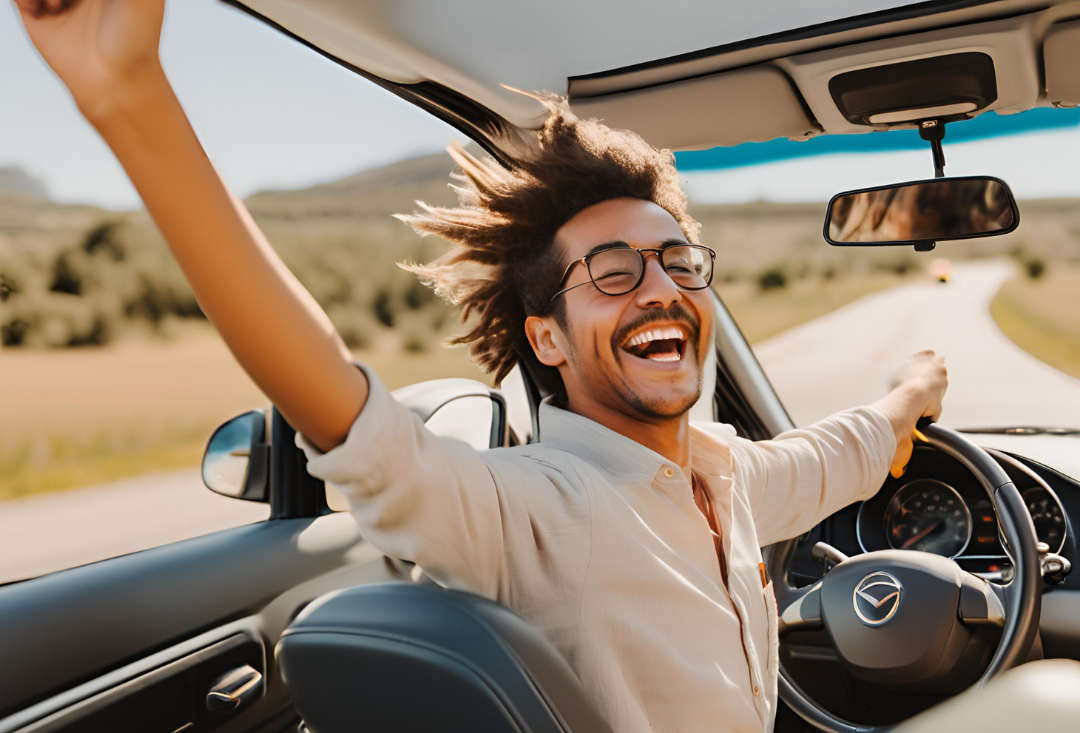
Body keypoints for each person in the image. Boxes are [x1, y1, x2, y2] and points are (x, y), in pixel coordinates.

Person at [15, 2, 947, 731]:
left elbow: (843, 451)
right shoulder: (535, 507)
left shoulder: (725, 472)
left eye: (678, 262)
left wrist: (913, 392)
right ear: (546, 337)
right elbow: (359, 430)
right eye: (613, 273)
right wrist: (128, 97)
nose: (659, 288)